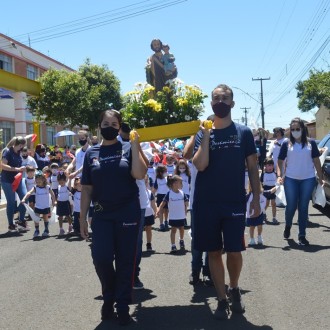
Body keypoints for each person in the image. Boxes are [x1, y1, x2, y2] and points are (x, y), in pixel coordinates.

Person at [192, 84, 261, 319]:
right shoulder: (203, 132)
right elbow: (200, 165)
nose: (220, 102)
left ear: (232, 103)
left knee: (234, 251)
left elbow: (253, 165)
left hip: (233, 202)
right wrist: (206, 135)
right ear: (211, 104)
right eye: (215, 99)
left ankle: (234, 288)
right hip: (206, 202)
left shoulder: (243, 132)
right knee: (213, 251)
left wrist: (257, 197)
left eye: (225, 98)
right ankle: (221, 300)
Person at [79, 109, 147, 325]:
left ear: (120, 126)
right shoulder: (92, 153)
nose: (110, 127)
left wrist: (135, 146)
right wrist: (81, 218)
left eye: (114, 124)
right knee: (101, 258)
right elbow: (87, 189)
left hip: (127, 212)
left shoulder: (128, 148)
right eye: (105, 124)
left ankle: (123, 304)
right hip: (102, 215)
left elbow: (139, 174)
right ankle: (108, 297)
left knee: (126, 260)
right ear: (99, 126)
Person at [277, 118, 323, 246]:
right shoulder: (286, 144)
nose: (295, 131)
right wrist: (280, 175)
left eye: (298, 129)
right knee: (291, 206)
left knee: (303, 207)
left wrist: (320, 177)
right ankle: (288, 225)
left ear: (303, 129)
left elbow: (316, 161)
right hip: (290, 179)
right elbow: (280, 161)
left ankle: (302, 235)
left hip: (308, 179)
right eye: (292, 129)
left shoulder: (311, 144)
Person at [1, 136, 29, 232]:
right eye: (23, 145)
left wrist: (23, 167)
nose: (23, 148)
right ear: (20, 145)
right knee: (11, 202)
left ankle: (21, 221)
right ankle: (11, 224)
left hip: (18, 179)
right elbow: (3, 165)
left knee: (25, 197)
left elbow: (19, 164)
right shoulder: (7, 151)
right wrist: (16, 169)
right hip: (7, 180)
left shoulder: (19, 152)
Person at [156, 175, 188, 253]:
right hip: (173, 216)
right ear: (174, 184)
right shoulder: (169, 193)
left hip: (181, 215)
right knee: (173, 230)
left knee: (181, 229)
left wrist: (186, 209)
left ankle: (181, 239)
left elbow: (186, 202)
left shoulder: (182, 193)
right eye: (180, 183)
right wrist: (158, 210)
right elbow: (163, 203)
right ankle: (173, 245)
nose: (181, 185)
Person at [21, 170, 55, 238]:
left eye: (39, 181)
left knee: (45, 218)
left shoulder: (47, 187)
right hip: (38, 206)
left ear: (43, 180)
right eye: (36, 181)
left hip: (45, 206)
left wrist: (54, 201)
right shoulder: (35, 187)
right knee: (36, 219)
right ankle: (37, 230)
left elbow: (52, 194)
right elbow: (29, 193)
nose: (38, 182)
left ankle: (46, 230)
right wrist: (24, 199)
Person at [260, 158, 278, 224]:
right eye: (267, 165)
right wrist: (261, 189)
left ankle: (274, 218)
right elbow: (260, 183)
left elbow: (278, 182)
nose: (269, 167)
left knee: (273, 204)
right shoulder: (263, 174)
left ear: (273, 166)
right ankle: (263, 214)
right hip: (266, 191)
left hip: (273, 190)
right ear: (265, 166)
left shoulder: (275, 174)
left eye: (271, 165)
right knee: (266, 204)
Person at [152, 164, 169, 231]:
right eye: (164, 171)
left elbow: (171, 185)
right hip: (160, 196)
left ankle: (166, 221)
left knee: (166, 210)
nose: (166, 173)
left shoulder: (167, 178)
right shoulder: (157, 179)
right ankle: (161, 223)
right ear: (160, 172)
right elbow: (155, 188)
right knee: (161, 210)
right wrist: (151, 194)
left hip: (167, 195)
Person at [56, 171, 73, 236]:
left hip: (66, 203)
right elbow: (56, 195)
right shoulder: (58, 187)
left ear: (65, 180)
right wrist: (55, 201)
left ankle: (70, 226)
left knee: (68, 215)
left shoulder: (67, 187)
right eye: (59, 180)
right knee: (60, 216)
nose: (61, 182)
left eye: (62, 180)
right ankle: (61, 229)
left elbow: (71, 191)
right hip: (60, 203)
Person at [144, 174, 157, 251]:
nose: (145, 183)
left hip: (149, 214)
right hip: (140, 215)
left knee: (149, 229)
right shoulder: (137, 192)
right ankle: (139, 244)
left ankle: (149, 244)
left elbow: (153, 203)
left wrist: (155, 212)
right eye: (144, 182)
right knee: (139, 231)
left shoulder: (149, 192)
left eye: (146, 181)